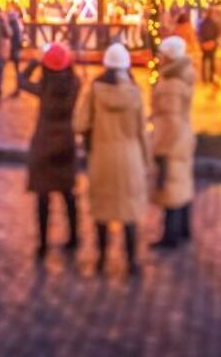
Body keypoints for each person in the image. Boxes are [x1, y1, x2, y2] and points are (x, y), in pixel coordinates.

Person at [73, 42, 149, 276]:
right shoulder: (135, 93)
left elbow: (79, 123)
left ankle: (102, 259)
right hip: (130, 158)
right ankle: (132, 261)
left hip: (102, 157)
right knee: (129, 213)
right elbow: (142, 131)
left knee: (102, 212)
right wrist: (146, 161)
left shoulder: (95, 90)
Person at [16, 42, 81, 260]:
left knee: (43, 196)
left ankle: (43, 243)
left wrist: (34, 61)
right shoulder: (74, 84)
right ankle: (74, 237)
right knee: (68, 192)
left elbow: (21, 81)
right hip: (66, 141)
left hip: (44, 142)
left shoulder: (44, 87)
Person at [149, 36, 196, 249]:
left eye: (162, 54)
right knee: (181, 183)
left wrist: (161, 146)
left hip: (171, 140)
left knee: (171, 187)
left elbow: (170, 119)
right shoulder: (183, 76)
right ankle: (184, 228)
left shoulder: (170, 85)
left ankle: (171, 235)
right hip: (183, 137)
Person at [197, 7, 221, 84]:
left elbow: (199, 34)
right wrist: (213, 42)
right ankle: (211, 78)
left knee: (204, 61)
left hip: (204, 44)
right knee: (211, 61)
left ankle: (204, 78)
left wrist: (203, 43)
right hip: (212, 44)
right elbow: (217, 34)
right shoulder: (215, 23)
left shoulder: (202, 23)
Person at [6, 5, 24, 93]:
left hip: (13, 48)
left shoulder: (13, 24)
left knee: (16, 69)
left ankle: (18, 87)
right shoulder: (17, 23)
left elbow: (13, 36)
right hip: (15, 47)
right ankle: (18, 87)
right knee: (16, 68)